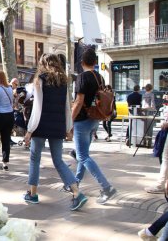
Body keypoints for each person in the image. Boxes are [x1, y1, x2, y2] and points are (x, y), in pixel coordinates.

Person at [22, 53, 87, 211]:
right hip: (57, 126)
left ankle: (33, 194)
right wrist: (68, 128)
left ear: (43, 63)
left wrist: (29, 130)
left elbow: (37, 108)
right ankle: (77, 193)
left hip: (40, 126)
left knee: (34, 159)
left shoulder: (39, 80)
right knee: (58, 161)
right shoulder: (63, 81)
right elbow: (66, 106)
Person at [72, 48, 117, 204]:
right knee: (82, 155)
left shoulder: (82, 78)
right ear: (95, 62)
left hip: (82, 120)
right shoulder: (100, 78)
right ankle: (75, 183)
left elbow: (78, 102)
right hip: (94, 119)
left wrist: (69, 121)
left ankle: (107, 187)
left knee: (82, 156)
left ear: (82, 62)